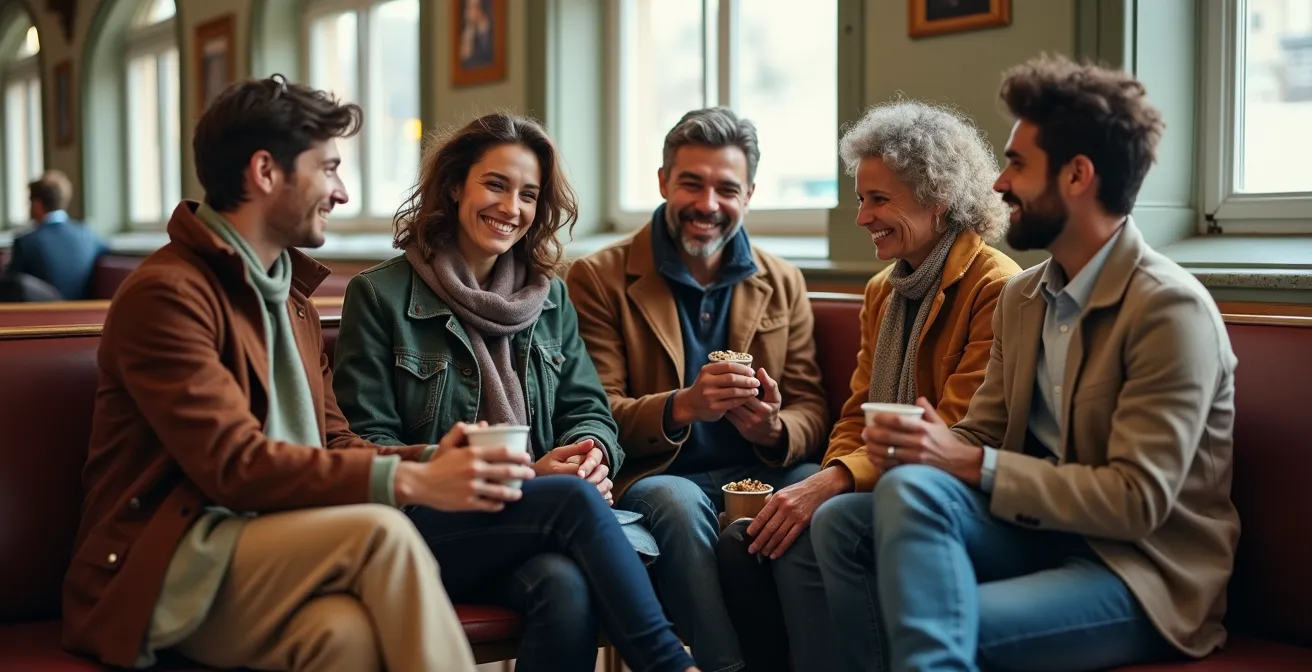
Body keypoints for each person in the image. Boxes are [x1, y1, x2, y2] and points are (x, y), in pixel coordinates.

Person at [61, 76, 526, 672]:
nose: (342, 193)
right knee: (381, 534)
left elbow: (334, 441)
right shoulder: (168, 295)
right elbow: (234, 465)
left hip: (264, 550)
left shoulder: (291, 299)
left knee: (344, 636)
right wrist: (411, 483)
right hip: (160, 567)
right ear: (264, 172)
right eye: (328, 169)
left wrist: (434, 459)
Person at [812, 54, 1240, 672]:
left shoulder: (1169, 309)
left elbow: (1135, 501)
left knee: (945, 627)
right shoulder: (1023, 298)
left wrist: (965, 460)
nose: (997, 183)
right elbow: (980, 434)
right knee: (859, 515)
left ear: (1077, 176)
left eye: (1017, 164)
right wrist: (926, 446)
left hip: (1141, 570)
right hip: (1034, 531)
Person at [332, 112, 699, 672]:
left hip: (528, 523)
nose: (511, 207)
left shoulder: (550, 299)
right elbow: (367, 444)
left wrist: (592, 455)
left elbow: (589, 410)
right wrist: (526, 475)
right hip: (420, 525)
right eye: (495, 185)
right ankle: (672, 665)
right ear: (455, 186)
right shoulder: (379, 296)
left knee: (564, 587)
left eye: (528, 195)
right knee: (570, 500)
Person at [715, 100, 1021, 672]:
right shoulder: (884, 289)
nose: (862, 217)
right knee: (763, 534)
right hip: (882, 472)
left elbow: (958, 431)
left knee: (820, 520)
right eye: (861, 199)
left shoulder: (996, 287)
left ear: (937, 197)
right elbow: (857, 414)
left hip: (954, 490)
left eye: (878, 199)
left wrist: (834, 482)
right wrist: (830, 476)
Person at [567, 106, 830, 672]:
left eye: (727, 189)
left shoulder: (783, 280)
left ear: (749, 195)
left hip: (761, 470)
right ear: (664, 181)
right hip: (661, 476)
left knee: (817, 489)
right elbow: (595, 411)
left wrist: (773, 428)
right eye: (692, 183)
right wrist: (683, 405)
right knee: (678, 504)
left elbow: (811, 405)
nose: (708, 204)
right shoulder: (598, 277)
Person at [2, 170, 107, 301]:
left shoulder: (26, 243)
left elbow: (8, 287)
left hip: (40, 312)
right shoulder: (90, 237)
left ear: (37, 204)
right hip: (87, 311)